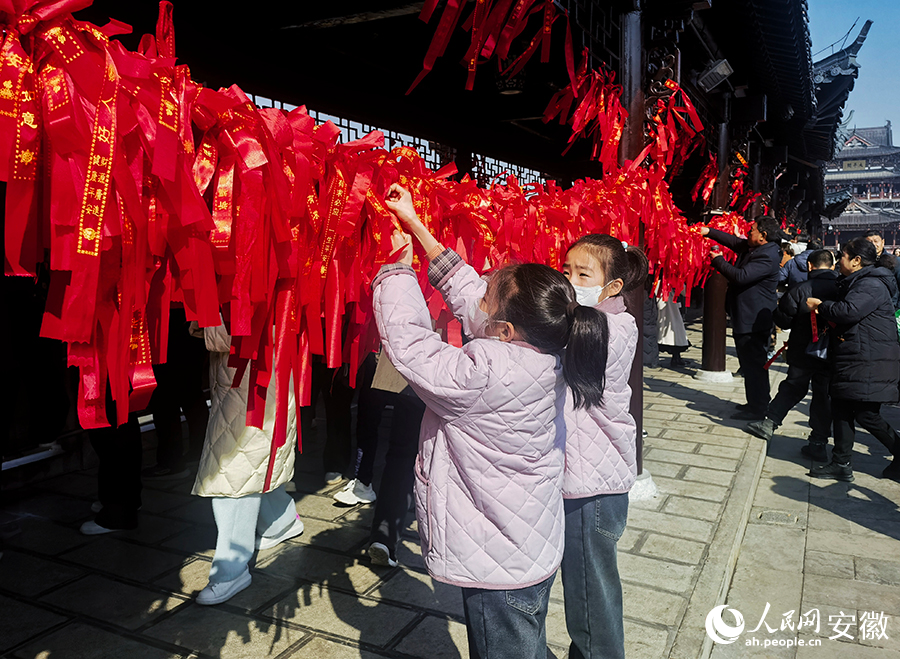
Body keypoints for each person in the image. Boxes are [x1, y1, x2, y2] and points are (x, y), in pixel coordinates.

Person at [377, 183, 609, 659]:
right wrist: (416, 223)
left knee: (507, 650)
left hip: (498, 557)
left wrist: (396, 270)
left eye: (488, 295)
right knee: (526, 641)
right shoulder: (547, 348)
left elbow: (412, 346)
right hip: (528, 543)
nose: (477, 295)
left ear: (503, 331)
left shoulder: (486, 373)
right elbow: (466, 291)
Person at [561, 234, 648, 659]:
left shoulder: (602, 327)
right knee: (593, 590)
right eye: (565, 271)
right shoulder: (611, 318)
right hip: (595, 476)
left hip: (590, 484)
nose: (570, 281)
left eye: (582, 274)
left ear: (612, 286)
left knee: (590, 599)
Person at [191, 320, 304, 605]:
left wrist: (203, 323)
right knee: (254, 459)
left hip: (254, 372)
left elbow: (246, 327)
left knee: (233, 472)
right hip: (247, 373)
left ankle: (231, 569)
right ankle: (282, 521)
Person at [807, 237, 900, 482]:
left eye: (843, 257)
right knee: (842, 408)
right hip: (857, 356)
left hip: (868, 359)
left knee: (866, 414)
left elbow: (848, 311)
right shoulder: (860, 281)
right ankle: (840, 462)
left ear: (857, 261)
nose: (839, 262)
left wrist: (821, 305)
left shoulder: (871, 284)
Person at [744, 250, 839, 460]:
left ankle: (769, 423)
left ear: (810, 267)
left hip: (803, 348)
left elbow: (784, 320)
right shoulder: (843, 288)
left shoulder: (800, 289)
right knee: (824, 395)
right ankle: (818, 442)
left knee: (793, 386)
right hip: (833, 351)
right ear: (832, 267)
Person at [336, 349, 427, 566]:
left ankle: (384, 536)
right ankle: (445, 538)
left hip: (410, 361)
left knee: (402, 452)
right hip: (452, 362)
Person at [701, 216, 781, 420]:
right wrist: (709, 231)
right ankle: (754, 403)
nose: (748, 232)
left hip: (753, 320)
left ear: (763, 236)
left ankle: (759, 408)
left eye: (752, 229)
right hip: (746, 316)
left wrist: (717, 260)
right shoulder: (757, 247)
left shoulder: (768, 256)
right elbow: (735, 242)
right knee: (749, 364)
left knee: (754, 365)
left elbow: (741, 276)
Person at [865, 230, 900, 308]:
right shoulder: (862, 262)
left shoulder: (895, 261)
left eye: (876, 241)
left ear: (883, 242)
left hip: (891, 307)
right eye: (869, 242)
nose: (873, 244)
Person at [657, 291, 690, 368]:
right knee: (676, 332)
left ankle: (676, 357)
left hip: (665, 302)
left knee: (674, 333)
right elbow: (684, 291)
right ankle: (676, 358)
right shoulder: (672, 280)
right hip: (670, 304)